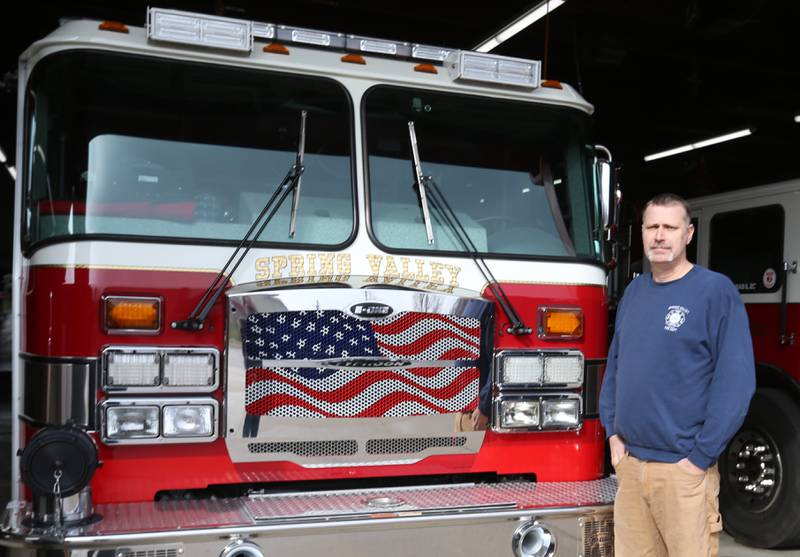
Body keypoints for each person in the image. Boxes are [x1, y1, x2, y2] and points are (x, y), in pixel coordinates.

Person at [599, 193, 755, 557]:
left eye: (670, 227)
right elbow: (616, 367)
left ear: (688, 233)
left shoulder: (715, 292)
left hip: (683, 472)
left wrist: (699, 457)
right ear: (641, 233)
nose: (660, 235)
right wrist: (613, 435)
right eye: (652, 226)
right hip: (632, 468)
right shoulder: (634, 292)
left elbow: (736, 383)